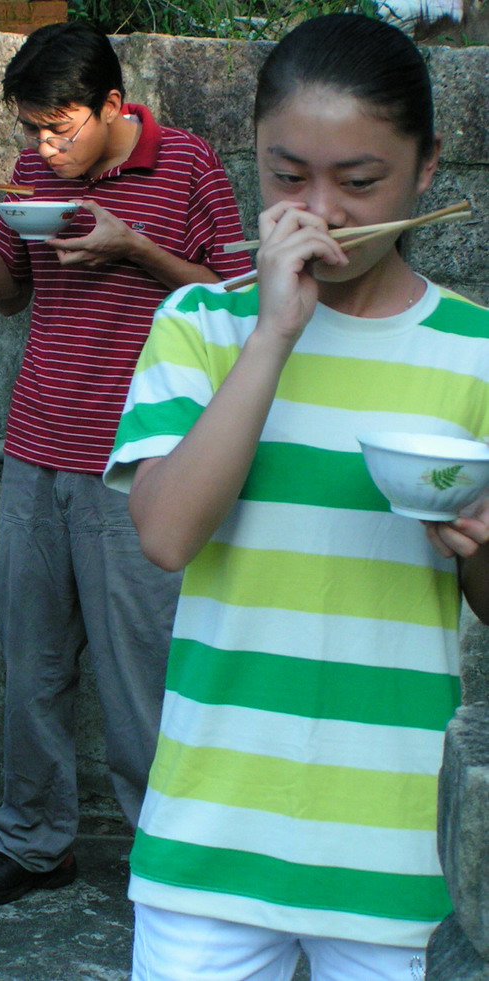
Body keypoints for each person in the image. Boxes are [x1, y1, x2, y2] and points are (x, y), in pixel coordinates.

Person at [102, 13, 489, 981]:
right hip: (208, 839)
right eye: (286, 177)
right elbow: (166, 534)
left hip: (393, 845)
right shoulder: (201, 321)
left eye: (358, 182)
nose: (319, 212)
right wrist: (272, 331)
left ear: (427, 167)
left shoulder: (476, 352)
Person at [0, 21, 251, 906]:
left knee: (141, 672)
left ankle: (168, 851)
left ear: (111, 104)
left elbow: (238, 303)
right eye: (30, 129)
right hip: (37, 447)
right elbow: (9, 297)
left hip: (140, 464)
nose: (41, 148)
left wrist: (133, 248)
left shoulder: (188, 165)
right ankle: (35, 843)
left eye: (58, 127)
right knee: (31, 663)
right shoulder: (32, 175)